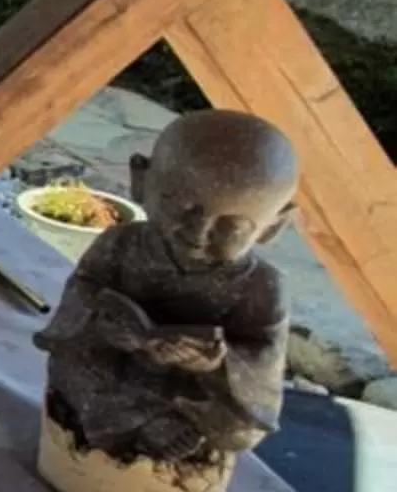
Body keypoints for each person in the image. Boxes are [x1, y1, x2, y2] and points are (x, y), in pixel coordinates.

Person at [35, 109, 297, 469]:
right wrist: (104, 321)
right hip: (118, 365)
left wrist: (216, 364)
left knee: (238, 429)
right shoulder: (121, 244)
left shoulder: (261, 286)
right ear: (140, 181)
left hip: (189, 392)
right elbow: (83, 290)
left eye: (231, 227)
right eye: (181, 207)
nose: (199, 231)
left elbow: (263, 361)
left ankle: (157, 428)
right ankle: (148, 428)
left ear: (273, 226)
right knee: (75, 369)